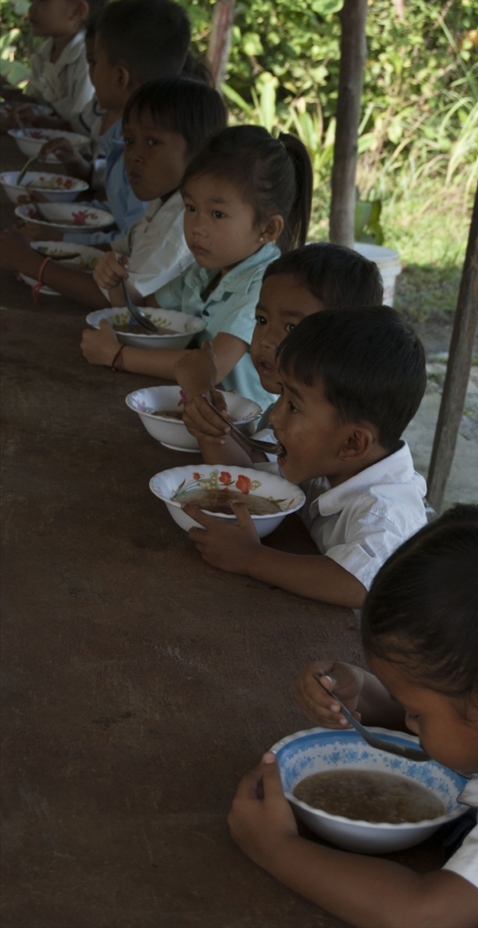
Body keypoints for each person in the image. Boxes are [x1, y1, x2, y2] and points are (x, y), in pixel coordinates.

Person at [228, 504, 478, 927]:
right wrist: (368, 695)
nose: (408, 723)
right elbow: (464, 725)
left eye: (414, 713)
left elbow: (418, 912)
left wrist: (277, 847)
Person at [181, 306, 429, 609]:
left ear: (352, 443)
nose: (275, 416)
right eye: (281, 395)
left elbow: (356, 583)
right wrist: (210, 431)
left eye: (294, 406)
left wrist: (250, 558)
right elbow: (246, 474)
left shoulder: (387, 512)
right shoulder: (325, 458)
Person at [80, 125, 313, 408]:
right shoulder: (205, 271)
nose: (197, 227)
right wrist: (117, 283)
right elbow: (145, 320)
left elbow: (212, 367)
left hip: (244, 431)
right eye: (190, 208)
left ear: (268, 228)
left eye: (217, 213)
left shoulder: (264, 285)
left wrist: (117, 355)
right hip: (202, 410)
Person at [0, 78, 227, 308]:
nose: (134, 155)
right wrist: (45, 238)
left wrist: (29, 262)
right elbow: (122, 248)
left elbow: (121, 298)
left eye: (152, 142)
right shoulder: (165, 199)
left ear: (200, 153)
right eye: (129, 140)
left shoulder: (184, 225)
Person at [175, 242, 385, 467]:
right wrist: (234, 422)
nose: (266, 340)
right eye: (262, 320)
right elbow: (257, 460)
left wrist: (199, 390)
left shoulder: (321, 421)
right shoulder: (282, 406)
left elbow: (243, 479)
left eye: (291, 328)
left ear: (344, 343)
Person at [18, 0, 192, 246]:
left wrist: (63, 237)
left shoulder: (150, 152)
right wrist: (54, 214)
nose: (92, 72)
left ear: (121, 77)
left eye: (95, 61)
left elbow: (131, 241)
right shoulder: (126, 134)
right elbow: (117, 211)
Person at [3, 0, 111, 129]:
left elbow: (81, 127)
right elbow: (38, 106)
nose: (31, 8)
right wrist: (6, 91)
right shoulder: (44, 52)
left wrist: (38, 119)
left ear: (77, 10)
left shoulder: (87, 59)